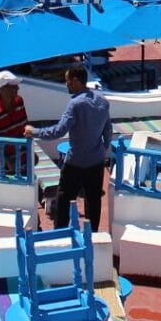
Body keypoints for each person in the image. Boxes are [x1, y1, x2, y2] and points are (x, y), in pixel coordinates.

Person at [34, 66, 113, 229]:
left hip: (75, 162)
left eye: (68, 80)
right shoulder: (103, 102)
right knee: (93, 200)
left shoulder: (75, 104)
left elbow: (58, 130)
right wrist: (99, 152)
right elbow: (108, 132)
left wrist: (34, 131)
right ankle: (92, 237)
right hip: (96, 162)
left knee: (64, 199)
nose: (66, 84)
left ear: (76, 81)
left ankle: (59, 235)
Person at [0, 70, 34, 175]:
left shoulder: (19, 101)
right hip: (3, 166)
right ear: (3, 88)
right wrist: (7, 159)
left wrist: (30, 151)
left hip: (23, 158)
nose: (18, 88)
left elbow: (24, 125)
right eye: (14, 86)